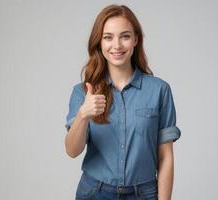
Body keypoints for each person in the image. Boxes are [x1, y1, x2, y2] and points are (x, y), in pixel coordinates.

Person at [64, 4, 181, 200]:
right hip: (95, 192)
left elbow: (165, 156)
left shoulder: (159, 90)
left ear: (136, 39)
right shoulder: (82, 92)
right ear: (99, 43)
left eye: (125, 36)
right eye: (108, 37)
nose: (116, 45)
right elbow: (72, 151)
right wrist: (83, 114)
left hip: (144, 194)